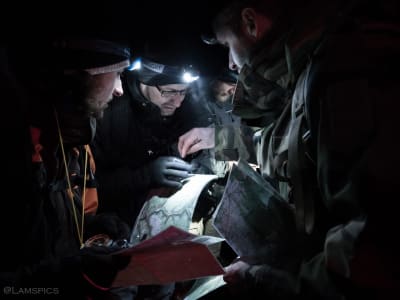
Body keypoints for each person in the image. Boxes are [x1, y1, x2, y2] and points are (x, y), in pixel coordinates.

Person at [178, 0, 400, 299]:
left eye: (227, 45)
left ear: (251, 22)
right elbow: (287, 143)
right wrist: (218, 139)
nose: (231, 63)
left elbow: (369, 257)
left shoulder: (351, 68)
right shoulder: (321, 63)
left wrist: (269, 282)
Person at [1, 37, 133, 299]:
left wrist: (93, 228)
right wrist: (63, 276)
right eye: (116, 74)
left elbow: (47, 235)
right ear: (78, 76)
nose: (120, 90)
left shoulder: (72, 145)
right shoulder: (13, 148)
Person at [90, 37, 212, 300]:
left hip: (166, 237)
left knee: (162, 293)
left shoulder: (186, 108)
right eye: (169, 91)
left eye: (183, 92)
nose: (177, 101)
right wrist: (144, 176)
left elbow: (228, 137)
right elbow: (91, 193)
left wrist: (205, 158)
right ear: (144, 81)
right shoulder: (108, 113)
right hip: (117, 239)